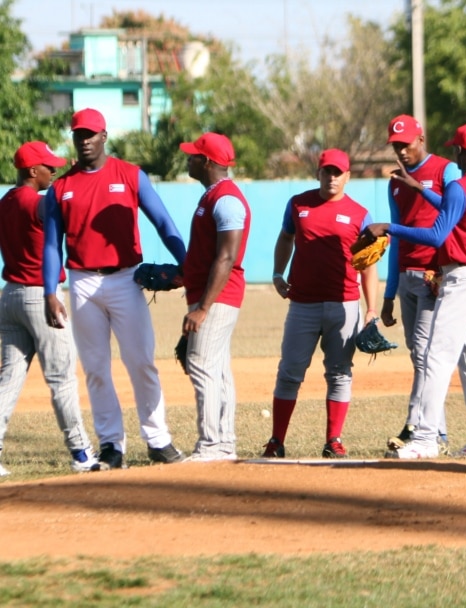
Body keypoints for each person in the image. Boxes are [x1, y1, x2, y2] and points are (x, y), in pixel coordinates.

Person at [42, 108, 187, 471]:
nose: (85, 140)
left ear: (104, 136)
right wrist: (49, 291)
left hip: (126, 277)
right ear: (73, 139)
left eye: (91, 134)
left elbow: (163, 220)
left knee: (141, 361)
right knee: (95, 367)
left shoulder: (130, 175)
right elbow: (50, 244)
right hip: (82, 281)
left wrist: (188, 263)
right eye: (79, 134)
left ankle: (158, 439)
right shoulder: (61, 187)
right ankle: (111, 446)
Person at [361, 123, 466, 459]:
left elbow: (436, 236)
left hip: (460, 278)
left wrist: (388, 227)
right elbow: (453, 207)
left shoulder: (459, 187)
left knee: (435, 356)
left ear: (459, 152)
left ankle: (425, 439)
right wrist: (420, 190)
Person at [262, 149, 378, 458]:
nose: (332, 177)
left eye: (338, 172)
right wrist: (277, 272)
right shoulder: (298, 204)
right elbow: (285, 238)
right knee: (289, 371)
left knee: (339, 372)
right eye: (327, 171)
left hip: (344, 304)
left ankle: (334, 440)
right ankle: (276, 441)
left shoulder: (360, 214)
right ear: (318, 173)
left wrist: (371, 309)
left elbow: (368, 265)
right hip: (302, 303)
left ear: (348, 177)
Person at [0, 142, 97, 476]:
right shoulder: (34, 203)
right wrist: (74, 176)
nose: (53, 171)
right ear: (31, 171)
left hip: (9, 295)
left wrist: (65, 176)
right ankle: (82, 452)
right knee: (62, 379)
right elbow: (60, 214)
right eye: (47, 167)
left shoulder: (7, 200)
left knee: (8, 380)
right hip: (41, 297)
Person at [381, 115, 462, 454]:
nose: (402, 151)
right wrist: (389, 293)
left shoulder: (446, 171)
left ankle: (416, 426)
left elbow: (455, 211)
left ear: (421, 139)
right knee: (419, 356)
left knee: (429, 355)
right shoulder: (394, 183)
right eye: (396, 146)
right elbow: (396, 239)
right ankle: (437, 431)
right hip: (407, 277)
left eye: (406, 144)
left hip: (433, 275)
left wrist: (419, 187)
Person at [178, 133, 251, 461]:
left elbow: (227, 256)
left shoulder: (226, 200)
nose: (189, 159)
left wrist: (204, 307)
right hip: (212, 294)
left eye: (194, 156)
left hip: (219, 297)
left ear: (206, 162)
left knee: (202, 363)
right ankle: (224, 442)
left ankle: (211, 444)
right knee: (217, 368)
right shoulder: (213, 196)